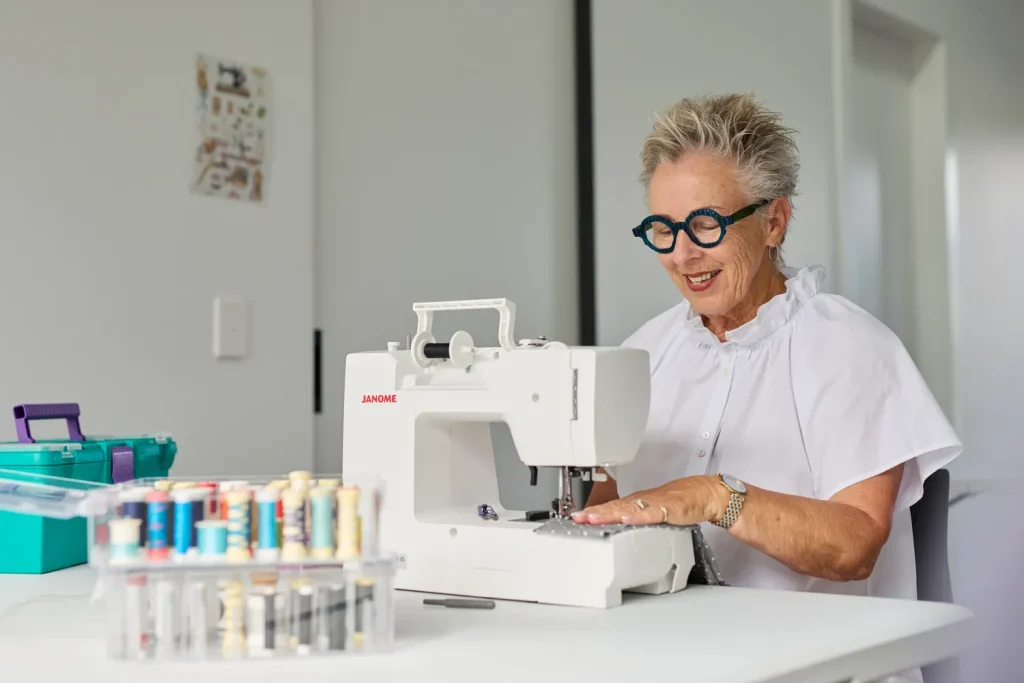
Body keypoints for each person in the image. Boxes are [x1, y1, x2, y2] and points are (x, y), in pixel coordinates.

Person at [572, 93, 962, 681]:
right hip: (671, 661)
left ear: (774, 220)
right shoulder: (644, 352)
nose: (681, 255)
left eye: (705, 224)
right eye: (662, 228)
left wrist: (714, 496)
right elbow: (600, 508)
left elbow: (853, 547)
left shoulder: (851, 349)